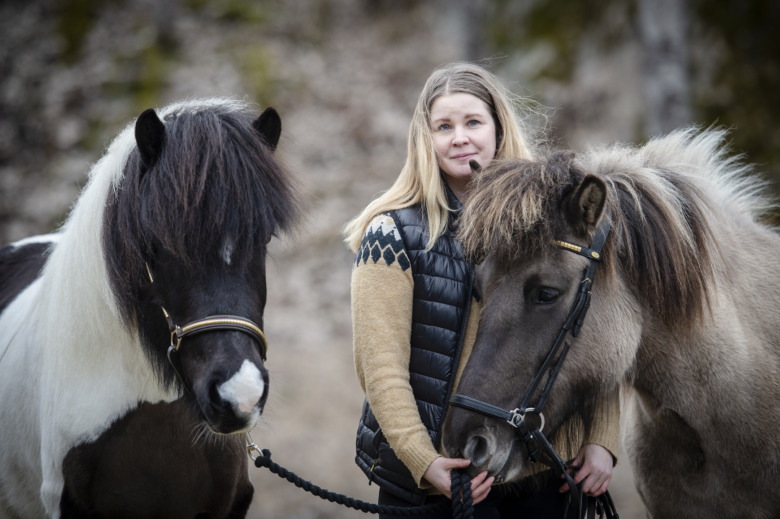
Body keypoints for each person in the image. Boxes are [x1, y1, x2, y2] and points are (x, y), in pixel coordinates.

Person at [343, 62, 619, 518]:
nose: (460, 137)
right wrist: (423, 460)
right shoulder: (391, 234)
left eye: (473, 122)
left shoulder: (551, 221)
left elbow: (591, 325)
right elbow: (381, 371)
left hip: (544, 469)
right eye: (444, 126)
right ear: (424, 138)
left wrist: (602, 439)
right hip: (440, 481)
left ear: (497, 127)